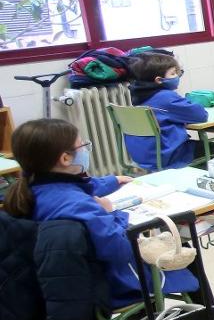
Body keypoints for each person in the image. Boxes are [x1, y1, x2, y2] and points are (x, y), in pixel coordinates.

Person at [6, 118, 197, 304]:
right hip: (107, 284)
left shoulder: (30, 189)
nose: (86, 150)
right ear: (65, 158)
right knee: (183, 252)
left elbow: (83, 186)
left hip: (53, 285)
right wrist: (109, 212)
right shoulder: (78, 205)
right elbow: (120, 249)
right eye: (83, 146)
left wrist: (113, 181)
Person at [126, 51, 214, 171]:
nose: (177, 76)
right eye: (173, 73)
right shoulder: (166, 98)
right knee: (211, 148)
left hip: (145, 158)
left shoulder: (138, 97)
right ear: (159, 80)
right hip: (167, 157)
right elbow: (201, 115)